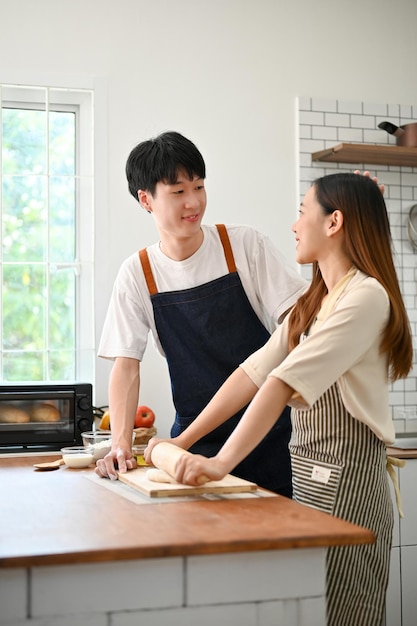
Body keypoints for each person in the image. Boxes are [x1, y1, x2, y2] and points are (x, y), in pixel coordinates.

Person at [145, 173, 413, 626]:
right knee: (312, 611)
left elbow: (281, 383)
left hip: (349, 485)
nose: (294, 225)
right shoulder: (316, 301)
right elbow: (251, 373)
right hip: (306, 482)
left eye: (303, 212)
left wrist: (221, 462)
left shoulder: (366, 298)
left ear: (334, 223)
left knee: (348, 616)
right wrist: (183, 441)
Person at [95, 131, 307, 494]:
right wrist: (121, 444)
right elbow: (126, 366)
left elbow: (299, 323)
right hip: (191, 447)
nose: (193, 202)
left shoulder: (243, 245)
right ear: (145, 200)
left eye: (199, 187)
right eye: (178, 192)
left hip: (269, 436)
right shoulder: (138, 272)